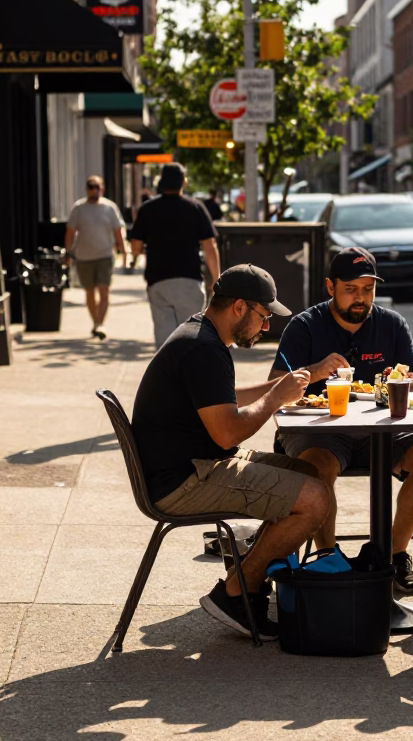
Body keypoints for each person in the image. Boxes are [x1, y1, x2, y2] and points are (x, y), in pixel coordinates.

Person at [131, 263, 333, 641]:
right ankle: (237, 591)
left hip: (192, 466)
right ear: (239, 307)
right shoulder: (202, 349)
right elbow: (226, 434)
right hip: (184, 480)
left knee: (309, 474)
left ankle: (250, 571)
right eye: (263, 316)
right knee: (315, 500)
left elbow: (224, 401)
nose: (267, 326)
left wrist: (288, 382)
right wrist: (276, 398)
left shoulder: (201, 335)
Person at [270, 246, 413, 595]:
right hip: (320, 430)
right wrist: (316, 371)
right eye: (351, 289)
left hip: (383, 429)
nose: (360, 298)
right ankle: (327, 555)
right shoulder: (304, 326)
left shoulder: (392, 323)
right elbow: (275, 386)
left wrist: (402, 379)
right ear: (330, 287)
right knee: (317, 465)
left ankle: (392, 553)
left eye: (368, 289)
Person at [130, 163, 221, 349]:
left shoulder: (147, 209)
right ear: (183, 182)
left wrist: (145, 250)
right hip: (189, 280)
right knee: (192, 338)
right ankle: (190, 376)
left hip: (158, 280)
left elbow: (135, 246)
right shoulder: (195, 207)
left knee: (165, 341)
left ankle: (167, 376)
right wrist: (216, 278)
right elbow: (210, 246)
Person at [65, 175, 126, 340]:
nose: (94, 190)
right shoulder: (78, 208)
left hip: (105, 255)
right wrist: (68, 252)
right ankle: (95, 322)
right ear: (87, 189)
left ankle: (100, 324)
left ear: (102, 188)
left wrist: (123, 251)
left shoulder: (110, 208)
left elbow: (117, 231)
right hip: (84, 257)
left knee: (104, 290)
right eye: (91, 186)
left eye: (97, 186)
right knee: (90, 292)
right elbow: (70, 232)